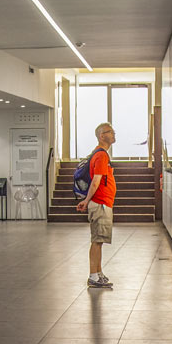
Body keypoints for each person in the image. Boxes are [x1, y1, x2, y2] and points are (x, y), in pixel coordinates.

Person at [76, 122, 116, 288]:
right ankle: (93, 276)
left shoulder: (101, 154)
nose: (113, 134)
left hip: (103, 202)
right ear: (102, 136)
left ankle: (98, 273)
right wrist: (86, 201)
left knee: (99, 240)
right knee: (97, 240)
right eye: (110, 132)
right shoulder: (101, 155)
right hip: (100, 203)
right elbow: (96, 181)